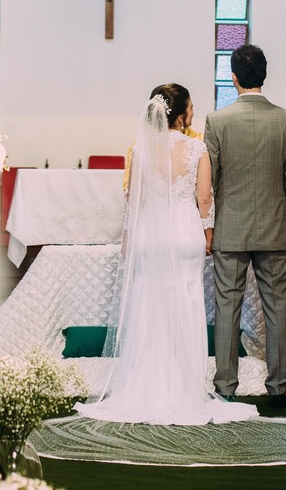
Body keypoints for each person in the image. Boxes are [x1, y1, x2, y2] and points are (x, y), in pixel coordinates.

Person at [76, 84, 257, 425]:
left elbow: (133, 201)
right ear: (183, 113)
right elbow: (205, 199)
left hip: (149, 235)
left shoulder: (141, 150)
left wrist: (129, 238)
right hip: (184, 234)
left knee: (148, 304)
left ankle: (145, 387)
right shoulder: (196, 149)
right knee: (186, 302)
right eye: (191, 106)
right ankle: (183, 390)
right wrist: (208, 233)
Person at [205, 45, 286, 409]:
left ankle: (226, 386)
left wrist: (209, 227)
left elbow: (209, 181)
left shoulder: (217, 122)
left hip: (230, 228)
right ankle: (278, 388)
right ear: (264, 75)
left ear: (234, 77)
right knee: (277, 306)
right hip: (275, 228)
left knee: (226, 306)